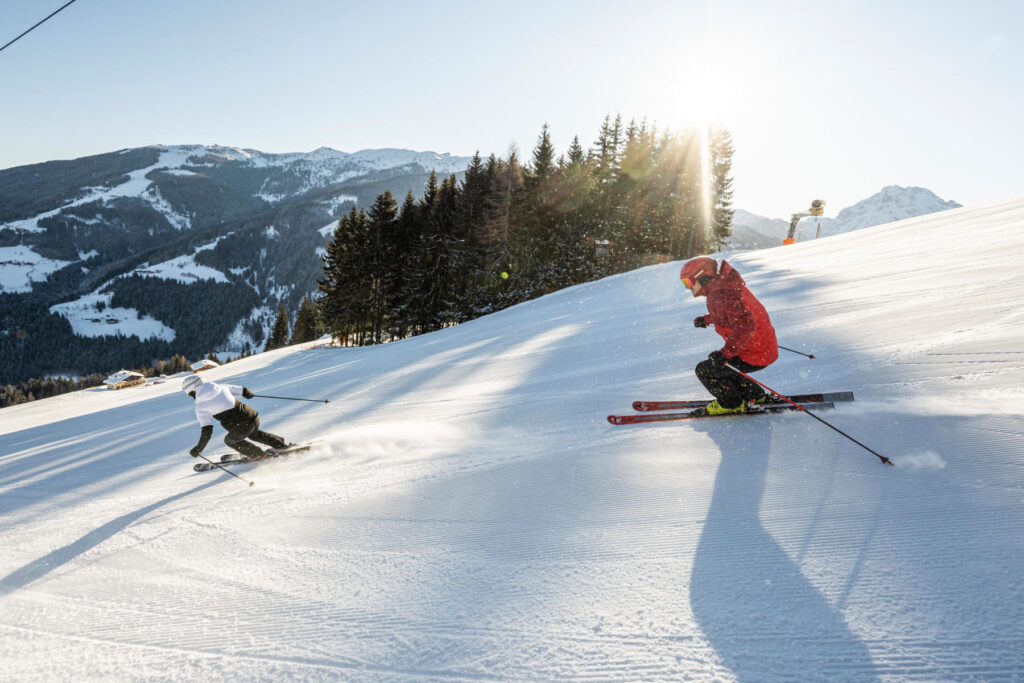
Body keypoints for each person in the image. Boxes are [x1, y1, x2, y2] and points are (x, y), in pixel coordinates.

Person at [680, 256, 779, 415]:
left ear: (701, 276)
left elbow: (745, 325)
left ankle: (730, 403)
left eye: (688, 282)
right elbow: (730, 313)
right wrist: (707, 319)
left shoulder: (721, 295)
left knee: (705, 370)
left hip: (755, 352)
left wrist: (725, 354)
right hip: (763, 347)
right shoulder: (724, 286)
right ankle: (754, 395)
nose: (689, 288)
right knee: (726, 366)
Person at [181, 374, 290, 460]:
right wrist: (248, 394)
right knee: (253, 434)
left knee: (229, 440)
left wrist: (198, 449)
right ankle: (280, 445)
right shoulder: (221, 387)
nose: (192, 396)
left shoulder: (200, 406)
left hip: (241, 427)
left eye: (190, 394)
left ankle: (257, 455)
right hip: (253, 417)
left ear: (194, 390)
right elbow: (245, 391)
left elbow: (207, 431)